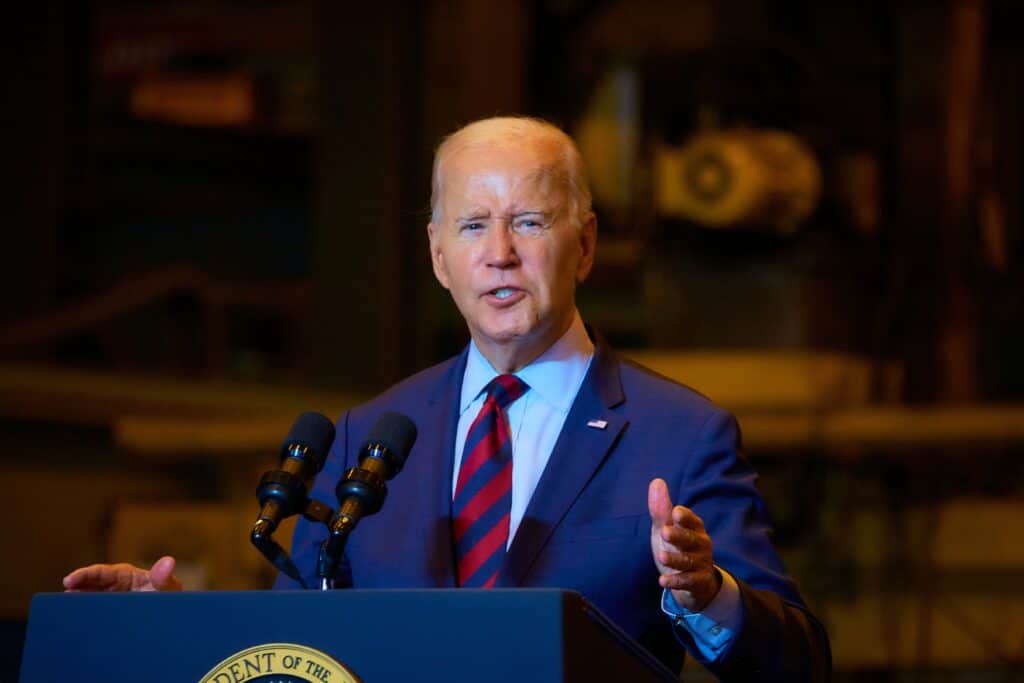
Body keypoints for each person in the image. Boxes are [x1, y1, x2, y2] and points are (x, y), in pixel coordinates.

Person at [65, 116, 830, 680]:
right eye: (472, 225)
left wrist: (709, 593)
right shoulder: (372, 433)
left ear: (586, 245)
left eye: (528, 222)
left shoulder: (680, 433)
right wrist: (166, 622)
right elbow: (295, 645)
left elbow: (798, 662)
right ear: (438, 255)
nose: (499, 253)